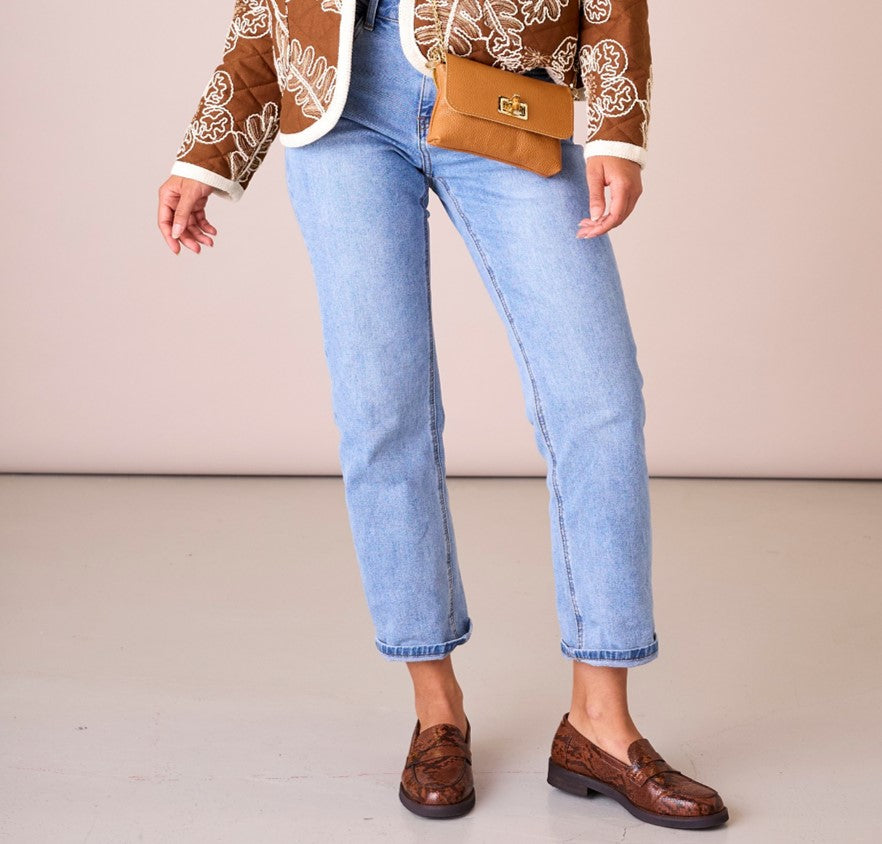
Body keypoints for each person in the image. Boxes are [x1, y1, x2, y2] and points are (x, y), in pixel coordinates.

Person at [156, 0, 728, 829]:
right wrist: (206, 153)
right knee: (382, 410)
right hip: (339, 108)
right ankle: (437, 714)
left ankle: (598, 724)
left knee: (597, 400)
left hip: (501, 80)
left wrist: (615, 127)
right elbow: (263, 12)